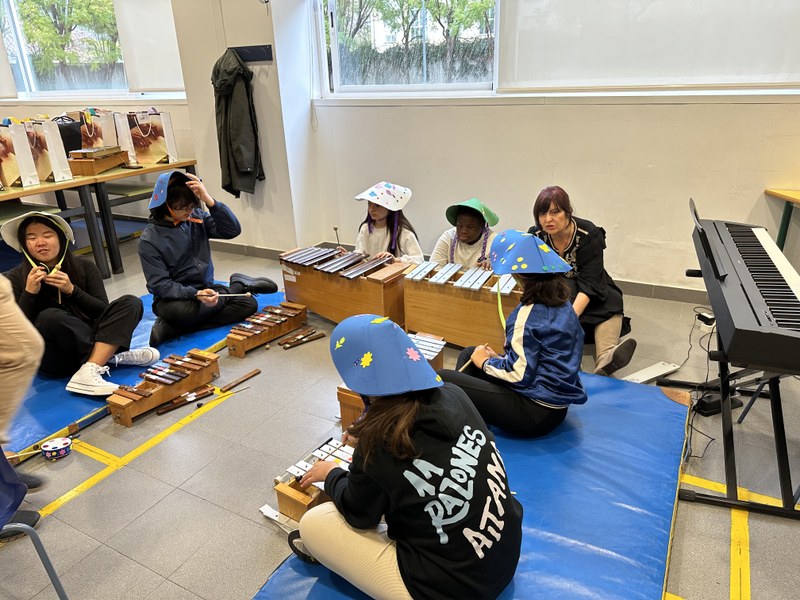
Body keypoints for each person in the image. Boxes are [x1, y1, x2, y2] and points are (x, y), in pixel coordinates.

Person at [294, 314, 523, 600]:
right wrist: (368, 431)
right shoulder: (454, 392)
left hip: (459, 588)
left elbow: (359, 514)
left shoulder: (379, 442)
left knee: (315, 524)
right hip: (503, 554)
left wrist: (331, 474)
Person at [439, 230, 587, 437]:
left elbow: (519, 376)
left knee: (445, 377)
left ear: (517, 276)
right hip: (556, 406)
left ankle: (461, 424)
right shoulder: (564, 304)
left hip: (534, 413)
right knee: (469, 354)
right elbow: (542, 356)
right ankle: (469, 415)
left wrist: (486, 363)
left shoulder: (527, 315)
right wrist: (497, 359)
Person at [1, 212, 157, 396]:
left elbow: (103, 311)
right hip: (55, 358)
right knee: (50, 316)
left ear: (61, 238)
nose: (40, 242)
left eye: (47, 235)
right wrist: (29, 294)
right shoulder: (13, 278)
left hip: (87, 336)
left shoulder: (84, 266)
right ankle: (108, 356)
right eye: (31, 237)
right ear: (24, 245)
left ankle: (93, 365)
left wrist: (72, 291)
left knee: (131, 302)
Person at [138, 170, 277, 347]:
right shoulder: (149, 240)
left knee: (247, 304)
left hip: (207, 289)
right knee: (183, 313)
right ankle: (237, 286)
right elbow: (159, 285)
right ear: (165, 204)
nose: (189, 211)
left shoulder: (195, 217)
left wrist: (210, 201)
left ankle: (175, 329)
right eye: (183, 206)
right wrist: (194, 294)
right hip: (176, 299)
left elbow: (232, 230)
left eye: (191, 205)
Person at [529, 185, 636, 376]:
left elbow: (591, 281)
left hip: (591, 283)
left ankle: (606, 357)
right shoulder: (536, 236)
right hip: (560, 289)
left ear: (567, 212)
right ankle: (568, 359)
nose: (548, 219)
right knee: (560, 299)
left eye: (555, 212)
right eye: (542, 213)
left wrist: (570, 316)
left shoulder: (589, 233)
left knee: (612, 299)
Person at [353, 181, 424, 264]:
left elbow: (419, 260)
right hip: (369, 274)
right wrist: (349, 257)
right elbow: (360, 254)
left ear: (390, 208)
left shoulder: (404, 233)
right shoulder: (365, 229)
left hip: (394, 275)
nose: (371, 209)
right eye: (369, 204)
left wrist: (395, 260)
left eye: (377, 205)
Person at [429, 198, 499, 270]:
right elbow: (434, 268)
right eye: (459, 225)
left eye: (470, 227)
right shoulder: (448, 237)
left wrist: (492, 265)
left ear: (482, 225)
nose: (463, 231)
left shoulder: (495, 241)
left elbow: (502, 275)